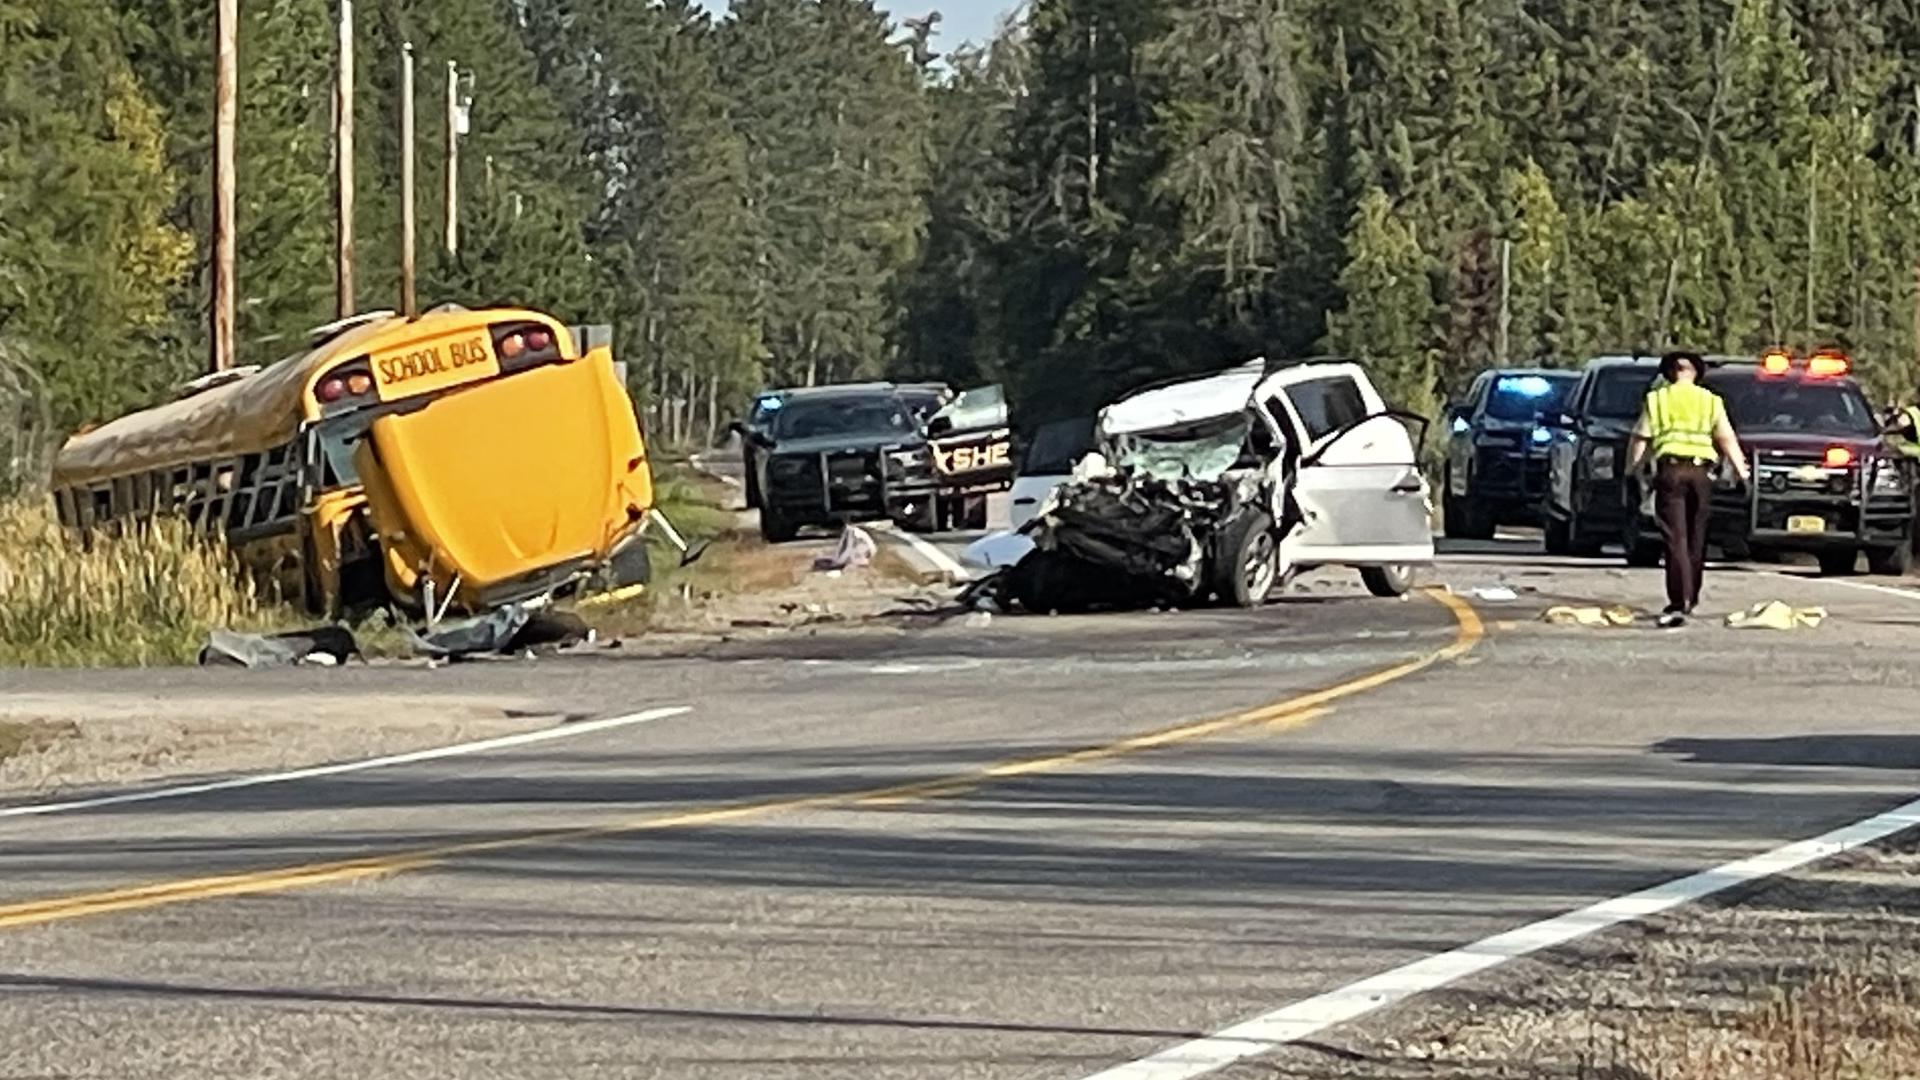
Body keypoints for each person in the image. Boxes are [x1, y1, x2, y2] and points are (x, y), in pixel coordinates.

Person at [1625, 351, 1750, 628]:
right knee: (1696, 537)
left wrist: (1632, 471)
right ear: (1695, 372)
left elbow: (1640, 439)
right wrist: (1742, 473)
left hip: (1670, 472)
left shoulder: (1657, 399)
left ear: (1669, 373)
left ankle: (1679, 599)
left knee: (1675, 538)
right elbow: (1726, 437)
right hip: (1701, 474)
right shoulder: (1710, 401)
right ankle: (1690, 596)